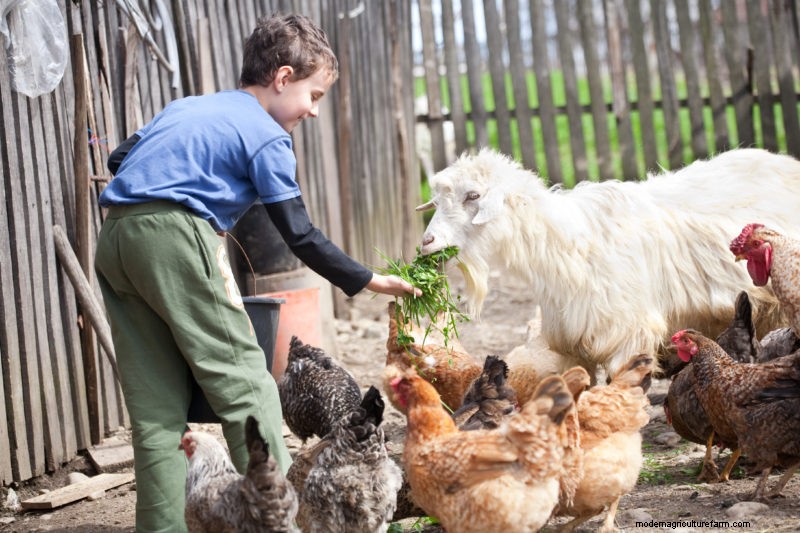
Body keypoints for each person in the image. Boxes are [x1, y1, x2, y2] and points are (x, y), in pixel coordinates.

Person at [95, 13, 419, 533]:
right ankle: (287, 523)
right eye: (313, 96)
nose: (313, 112)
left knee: (156, 411)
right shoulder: (267, 135)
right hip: (175, 237)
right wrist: (369, 280)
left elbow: (119, 157)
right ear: (283, 78)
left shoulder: (188, 106)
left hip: (116, 238)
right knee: (247, 384)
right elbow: (300, 233)